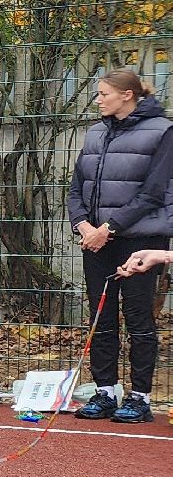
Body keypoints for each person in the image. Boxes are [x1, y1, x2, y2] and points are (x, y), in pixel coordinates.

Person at [67, 70, 171, 423]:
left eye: (103, 94)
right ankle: (106, 392)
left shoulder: (163, 131)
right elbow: (76, 188)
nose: (98, 100)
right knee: (101, 316)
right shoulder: (95, 132)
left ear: (127, 95)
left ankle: (140, 397)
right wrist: (83, 225)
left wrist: (108, 228)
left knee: (139, 317)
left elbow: (153, 194)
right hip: (95, 241)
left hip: (142, 242)